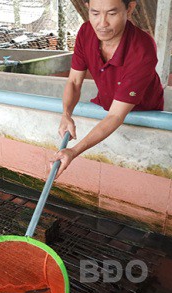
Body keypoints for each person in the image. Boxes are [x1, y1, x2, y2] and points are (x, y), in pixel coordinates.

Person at [51, 0, 164, 178]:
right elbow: (74, 81)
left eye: (112, 14)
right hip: (107, 105)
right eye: (95, 13)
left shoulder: (142, 48)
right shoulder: (86, 31)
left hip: (143, 113)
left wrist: (73, 151)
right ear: (88, 8)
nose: (102, 23)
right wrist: (66, 114)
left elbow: (116, 115)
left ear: (130, 8)